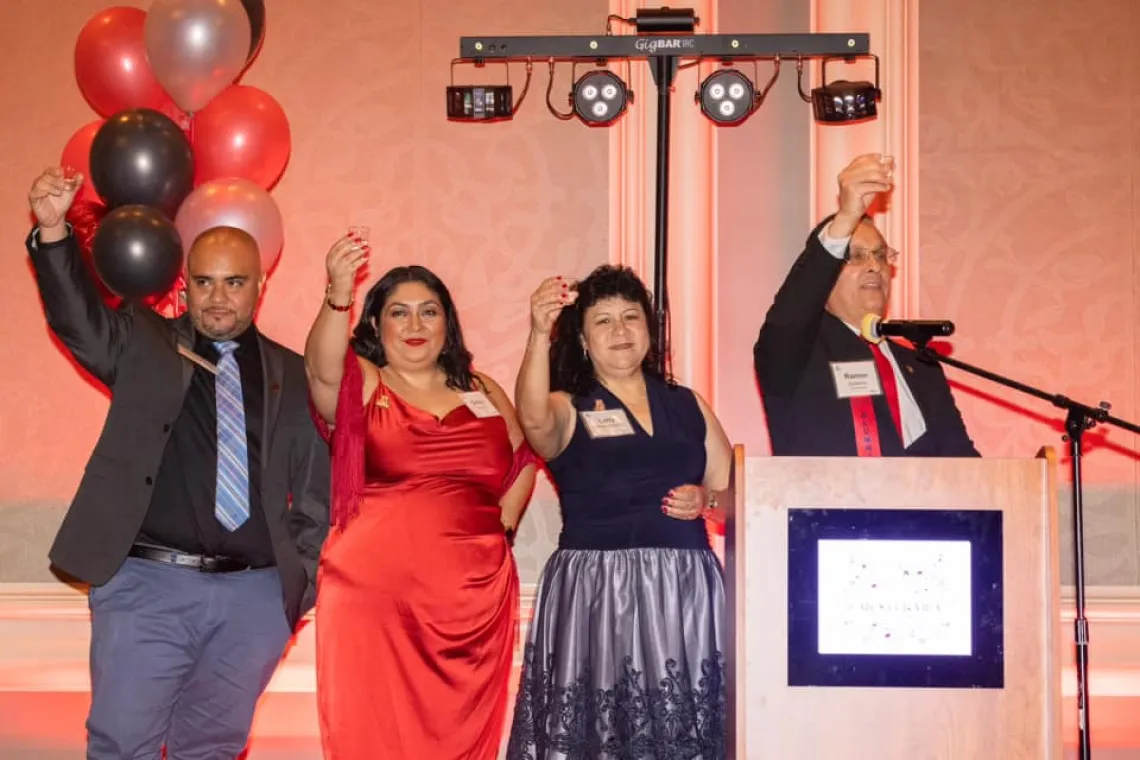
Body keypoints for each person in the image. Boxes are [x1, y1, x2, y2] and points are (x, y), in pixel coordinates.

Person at [25, 167, 331, 758]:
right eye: (204, 281)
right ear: (184, 284)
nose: (217, 297)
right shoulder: (142, 342)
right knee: (123, 745)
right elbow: (78, 323)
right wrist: (54, 231)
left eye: (234, 282)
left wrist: (298, 587)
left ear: (261, 284)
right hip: (148, 587)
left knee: (214, 747)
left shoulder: (295, 375)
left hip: (255, 599)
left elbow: (316, 492)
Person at [304, 235, 538, 759]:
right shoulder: (364, 382)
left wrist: (501, 529)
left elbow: (524, 460)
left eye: (428, 312)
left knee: (460, 740)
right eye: (399, 313)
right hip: (376, 602)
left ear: (447, 325)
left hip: (472, 604)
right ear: (375, 326)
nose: (415, 326)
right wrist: (337, 296)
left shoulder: (483, 389)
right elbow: (321, 369)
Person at [507, 265, 730, 759]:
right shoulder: (568, 405)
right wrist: (539, 333)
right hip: (597, 590)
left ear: (650, 331)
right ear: (584, 340)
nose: (621, 330)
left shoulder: (689, 404)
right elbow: (533, 419)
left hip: (685, 591)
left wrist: (708, 501)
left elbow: (734, 494)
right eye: (603, 321)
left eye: (631, 317)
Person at [754, 153, 979, 458]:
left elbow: (965, 466)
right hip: (830, 505)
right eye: (857, 256)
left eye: (881, 255)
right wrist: (846, 217)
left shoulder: (922, 366)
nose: (874, 266)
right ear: (826, 274)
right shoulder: (796, 354)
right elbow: (790, 316)